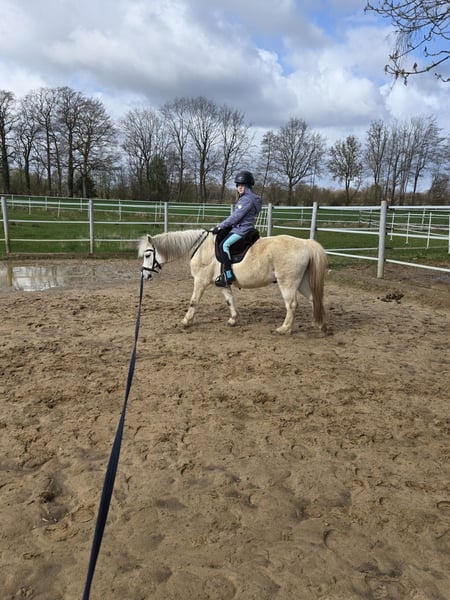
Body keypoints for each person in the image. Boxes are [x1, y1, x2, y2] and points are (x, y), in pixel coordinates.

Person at [212, 170, 262, 287]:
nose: (239, 187)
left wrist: (220, 226)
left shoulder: (246, 199)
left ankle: (228, 275)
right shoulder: (251, 198)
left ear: (248, 186)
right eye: (238, 185)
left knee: (224, 245)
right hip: (246, 227)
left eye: (243, 185)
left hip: (241, 230)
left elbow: (235, 217)